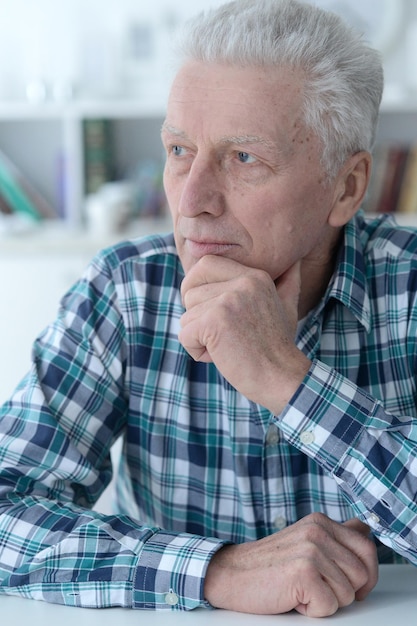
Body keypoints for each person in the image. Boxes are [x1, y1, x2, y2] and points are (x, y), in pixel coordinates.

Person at [0, 0, 416, 618]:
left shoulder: (408, 287)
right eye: (177, 151)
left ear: (347, 186)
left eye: (243, 158)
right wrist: (214, 571)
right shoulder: (125, 288)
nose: (191, 200)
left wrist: (286, 380)